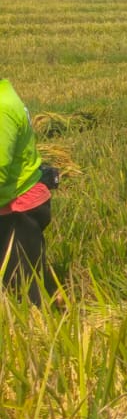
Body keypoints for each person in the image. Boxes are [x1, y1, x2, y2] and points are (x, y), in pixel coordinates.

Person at [1, 79, 61, 306]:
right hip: (13, 202)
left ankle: (43, 322)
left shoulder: (2, 108)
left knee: (24, 293)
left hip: (18, 210)